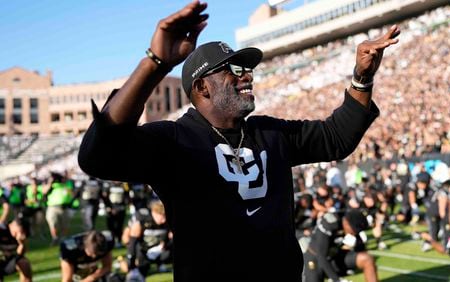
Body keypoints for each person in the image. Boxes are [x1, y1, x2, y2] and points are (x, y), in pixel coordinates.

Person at [77, 1, 400, 281]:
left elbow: (336, 138)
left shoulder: (269, 133)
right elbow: (99, 156)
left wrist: (362, 77)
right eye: (233, 69)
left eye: (247, 68)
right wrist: (155, 63)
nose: (247, 75)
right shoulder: (173, 140)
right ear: (203, 87)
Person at [303, 210, 376, 282]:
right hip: (315, 258)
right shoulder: (330, 223)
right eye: (353, 230)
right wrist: (337, 280)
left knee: (367, 259)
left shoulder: (351, 222)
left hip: (334, 256)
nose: (353, 234)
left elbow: (360, 249)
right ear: (346, 223)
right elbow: (321, 256)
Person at [121, 200, 172, 280]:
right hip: (142, 249)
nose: (164, 220)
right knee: (132, 267)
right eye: (162, 216)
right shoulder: (143, 217)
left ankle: (160, 263)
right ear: (154, 212)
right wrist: (131, 258)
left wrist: (166, 243)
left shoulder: (166, 221)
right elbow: (129, 239)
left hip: (159, 249)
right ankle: (126, 263)